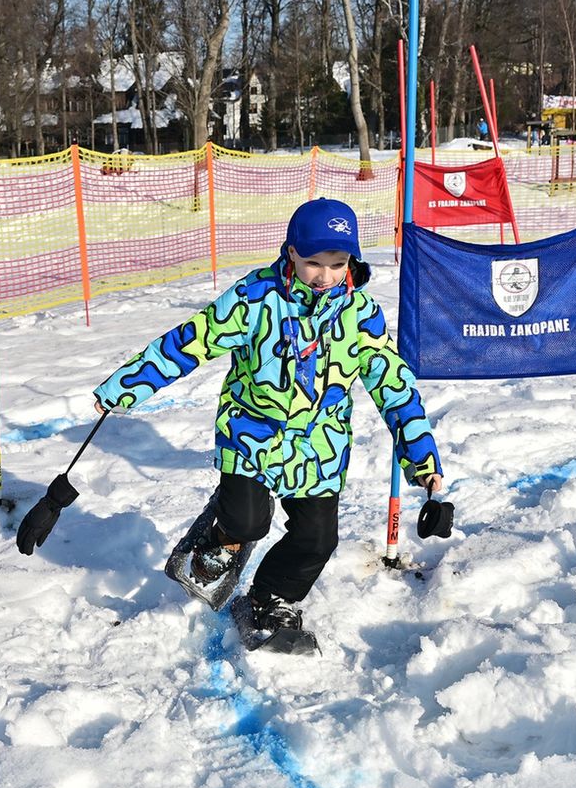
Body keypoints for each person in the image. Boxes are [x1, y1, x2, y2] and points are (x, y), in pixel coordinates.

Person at [91, 198, 443, 635]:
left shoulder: (362, 315)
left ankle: (271, 598)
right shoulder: (255, 298)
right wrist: (124, 388)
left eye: (338, 263)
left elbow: (396, 389)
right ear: (291, 251)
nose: (326, 276)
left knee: (317, 541)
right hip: (251, 432)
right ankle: (221, 537)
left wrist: (424, 464)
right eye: (314, 262)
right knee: (248, 520)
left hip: (320, 446)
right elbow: (188, 343)